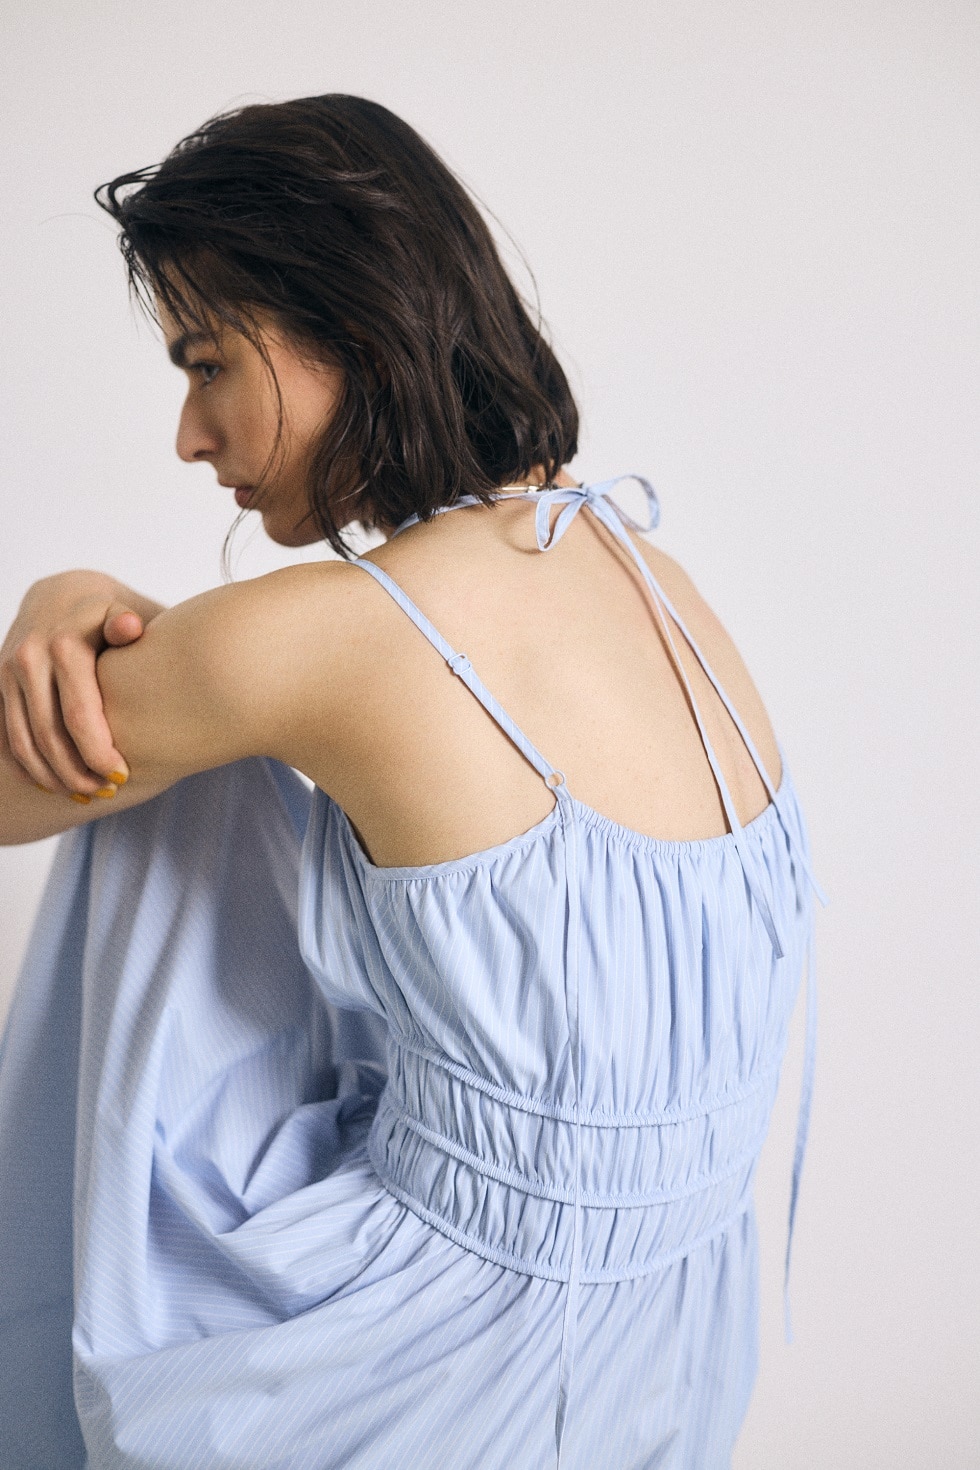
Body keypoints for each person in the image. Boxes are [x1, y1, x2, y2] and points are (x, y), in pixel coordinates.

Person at [0, 94, 827, 1469]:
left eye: (207, 363)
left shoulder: (339, 634)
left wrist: (60, 601)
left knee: (159, 774)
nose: (189, 435)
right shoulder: (653, 578)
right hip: (676, 1352)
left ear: (346, 328)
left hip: (438, 1366)